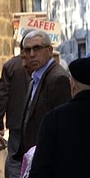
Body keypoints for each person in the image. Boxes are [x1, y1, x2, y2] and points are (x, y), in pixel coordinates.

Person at [15, 29, 71, 162]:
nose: (32, 54)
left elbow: (64, 125)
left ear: (50, 50)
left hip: (49, 158)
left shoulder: (57, 78)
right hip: (35, 156)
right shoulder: (35, 77)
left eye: (37, 48)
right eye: (27, 50)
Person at [0, 36, 32, 178]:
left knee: (16, 157)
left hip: (16, 119)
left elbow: (3, 95)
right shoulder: (43, 66)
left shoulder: (11, 65)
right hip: (34, 121)